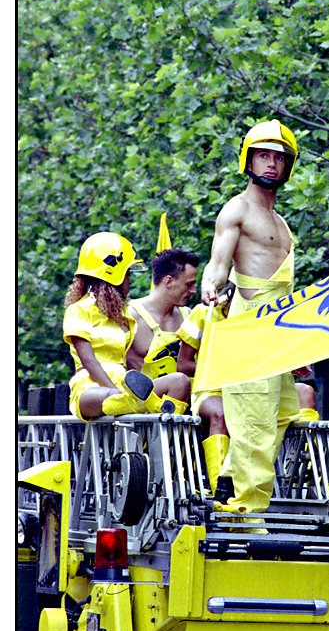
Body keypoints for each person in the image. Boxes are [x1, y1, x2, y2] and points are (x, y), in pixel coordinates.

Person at [200, 118, 308, 514]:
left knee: (282, 412)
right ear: (248, 160)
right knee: (252, 420)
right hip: (250, 325)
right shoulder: (237, 208)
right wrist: (211, 286)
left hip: (278, 327)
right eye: (263, 155)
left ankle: (229, 477)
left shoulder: (282, 223)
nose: (272, 164)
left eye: (279, 158)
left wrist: (296, 347)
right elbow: (217, 263)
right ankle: (246, 507)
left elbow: (286, 290)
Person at [179, 287, 318, 496]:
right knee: (222, 413)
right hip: (212, 389)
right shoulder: (203, 313)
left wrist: (293, 365)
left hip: (255, 389)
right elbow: (183, 365)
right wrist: (228, 369)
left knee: (305, 392)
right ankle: (222, 488)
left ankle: (309, 473)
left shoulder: (265, 315)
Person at [63, 232, 191, 420]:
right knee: (112, 397)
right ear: (114, 275)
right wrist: (119, 392)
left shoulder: (123, 315)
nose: (130, 281)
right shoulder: (78, 310)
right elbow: (89, 362)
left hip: (126, 385)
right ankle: (156, 407)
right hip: (91, 388)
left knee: (180, 382)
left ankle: (155, 440)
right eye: (127, 274)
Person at [126, 249, 200, 394]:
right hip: (144, 410)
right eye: (188, 284)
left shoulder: (190, 317)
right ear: (169, 281)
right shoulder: (130, 317)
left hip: (187, 409)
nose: (194, 291)